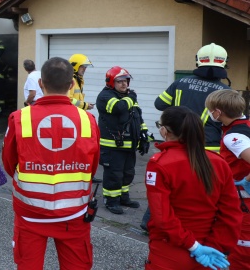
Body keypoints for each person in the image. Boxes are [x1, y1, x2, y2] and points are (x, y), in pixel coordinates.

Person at [2, 57, 100, 270]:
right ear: (71, 84)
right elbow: (92, 165)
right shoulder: (88, 120)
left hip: (30, 211)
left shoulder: (19, 118)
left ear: (40, 83)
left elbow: (10, 164)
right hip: (74, 212)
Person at [145, 106, 241, 269]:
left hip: (171, 249)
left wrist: (194, 247)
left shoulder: (160, 164)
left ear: (165, 130)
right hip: (210, 253)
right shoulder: (218, 162)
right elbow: (231, 213)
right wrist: (215, 246)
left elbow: (163, 218)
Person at [155, 43, 230, 152]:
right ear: (225, 63)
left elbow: (159, 104)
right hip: (208, 147)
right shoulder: (226, 92)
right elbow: (233, 121)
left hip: (179, 144)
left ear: (198, 61)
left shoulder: (180, 82)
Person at [96, 66, 152, 214]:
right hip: (112, 146)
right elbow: (119, 108)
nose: (124, 84)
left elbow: (137, 116)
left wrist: (144, 134)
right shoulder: (104, 96)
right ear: (111, 82)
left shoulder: (128, 96)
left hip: (129, 145)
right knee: (114, 174)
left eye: (126, 81)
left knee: (128, 173)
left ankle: (123, 197)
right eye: (119, 81)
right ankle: (111, 201)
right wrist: (131, 97)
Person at [205, 89, 250, 268]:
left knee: (242, 247)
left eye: (210, 110)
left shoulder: (234, 137)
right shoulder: (245, 125)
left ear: (218, 112)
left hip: (244, 202)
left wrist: (246, 179)